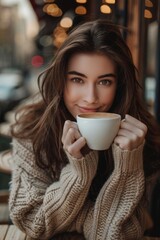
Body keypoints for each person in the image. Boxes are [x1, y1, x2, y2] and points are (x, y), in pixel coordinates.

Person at [9, 19, 160, 240]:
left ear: (120, 86)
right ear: (61, 80)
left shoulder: (140, 137)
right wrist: (79, 175)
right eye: (78, 80)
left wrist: (127, 168)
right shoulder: (32, 130)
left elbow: (124, 232)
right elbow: (34, 223)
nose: (91, 98)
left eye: (104, 82)